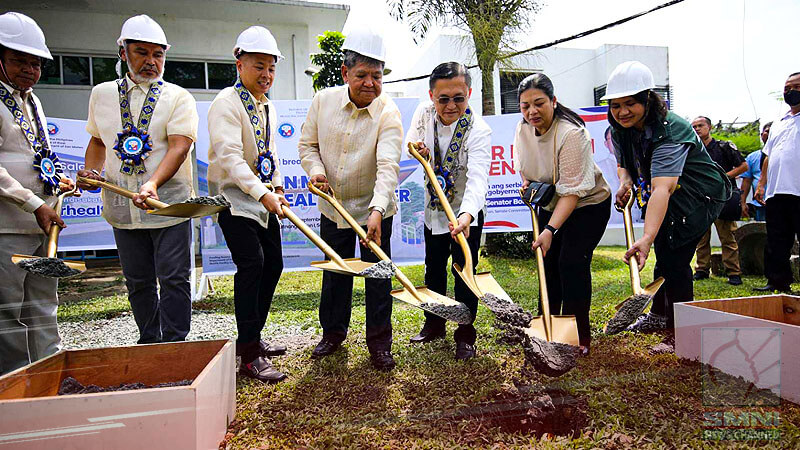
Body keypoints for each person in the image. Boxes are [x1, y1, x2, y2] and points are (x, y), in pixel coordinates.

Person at [76, 15, 199, 344]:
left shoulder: (178, 97)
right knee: (138, 280)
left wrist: (153, 183)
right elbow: (98, 141)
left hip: (168, 205)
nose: (151, 61)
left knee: (174, 278)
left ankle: (175, 345)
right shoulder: (102, 95)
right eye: (142, 52)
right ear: (123, 54)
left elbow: (180, 146)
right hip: (122, 208)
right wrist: (92, 170)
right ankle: (149, 342)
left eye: (158, 54)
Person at [297, 26, 402, 371]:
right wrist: (315, 171)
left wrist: (376, 210)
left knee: (378, 275)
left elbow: (388, 166)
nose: (370, 83)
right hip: (334, 207)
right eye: (362, 75)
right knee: (336, 273)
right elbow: (307, 145)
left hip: (375, 209)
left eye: (376, 76)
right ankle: (333, 334)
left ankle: (379, 343)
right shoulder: (323, 101)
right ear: (345, 73)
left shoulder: (388, 112)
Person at [603, 61, 730, 333]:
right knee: (664, 252)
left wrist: (646, 238)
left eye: (630, 104)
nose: (622, 112)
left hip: (698, 197)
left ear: (647, 100)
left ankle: (680, 330)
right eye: (615, 105)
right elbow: (624, 163)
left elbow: (664, 187)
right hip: (666, 195)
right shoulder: (619, 126)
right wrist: (625, 181)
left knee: (675, 260)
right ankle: (659, 316)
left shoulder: (671, 130)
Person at [207, 26, 289, 383]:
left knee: (274, 265)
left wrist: (279, 188)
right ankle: (250, 355)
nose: (266, 75)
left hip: (262, 199)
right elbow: (230, 157)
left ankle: (251, 338)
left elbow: (268, 155)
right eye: (259, 66)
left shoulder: (265, 105)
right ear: (239, 63)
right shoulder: (226, 102)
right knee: (252, 264)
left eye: (271, 67)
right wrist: (263, 193)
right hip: (233, 200)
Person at [514, 73, 611, 355]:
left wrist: (549, 230)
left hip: (587, 204)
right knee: (548, 263)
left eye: (539, 103)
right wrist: (527, 185)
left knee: (570, 262)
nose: (532, 111)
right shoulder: (522, 130)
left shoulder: (571, 133)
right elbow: (526, 166)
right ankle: (548, 326)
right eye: (525, 106)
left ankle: (577, 337)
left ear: (554, 101)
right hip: (551, 203)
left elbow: (572, 192)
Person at [0, 12, 75, 375]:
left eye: (35, 62)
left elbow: (37, 156)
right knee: (9, 312)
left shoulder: (32, 101)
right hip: (7, 228)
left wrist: (59, 179)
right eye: (19, 60)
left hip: (41, 227)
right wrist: (33, 205)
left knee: (44, 304)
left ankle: (50, 376)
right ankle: (14, 387)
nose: (29, 69)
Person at [405, 62, 492, 360]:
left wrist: (467, 215)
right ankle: (435, 323)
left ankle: (465, 334)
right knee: (433, 269)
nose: (451, 105)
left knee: (464, 273)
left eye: (459, 98)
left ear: (468, 94)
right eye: (443, 99)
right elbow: (410, 142)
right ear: (432, 95)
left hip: (465, 213)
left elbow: (479, 178)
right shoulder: (423, 114)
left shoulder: (478, 130)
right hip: (434, 211)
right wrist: (416, 148)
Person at [754, 72, 800, 293]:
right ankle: (777, 281)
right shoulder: (778, 123)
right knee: (776, 240)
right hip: (777, 190)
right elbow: (768, 156)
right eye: (787, 87)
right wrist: (762, 184)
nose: (791, 91)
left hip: (798, 189)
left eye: (797, 86)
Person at [691, 116, 747, 285]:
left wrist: (723, 177)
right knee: (700, 237)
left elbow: (743, 166)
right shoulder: (691, 149)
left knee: (728, 236)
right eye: (694, 126)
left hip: (724, 197)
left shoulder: (724, 146)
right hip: (700, 198)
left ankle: (734, 272)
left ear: (709, 127)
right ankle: (701, 269)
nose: (697, 129)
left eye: (700, 125)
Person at [740, 121, 771, 221]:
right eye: (767, 131)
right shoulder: (753, 157)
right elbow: (746, 181)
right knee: (762, 234)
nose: (771, 134)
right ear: (762, 135)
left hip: (786, 202)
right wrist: (743, 202)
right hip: (761, 204)